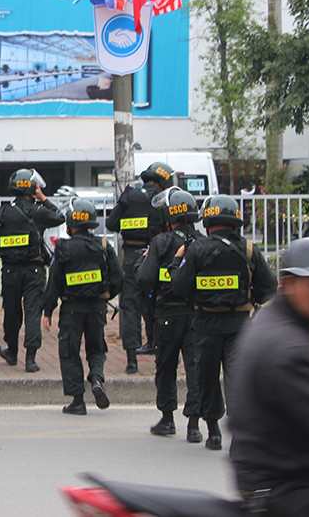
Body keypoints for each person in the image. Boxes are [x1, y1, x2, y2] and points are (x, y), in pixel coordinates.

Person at [228, 237, 309, 515]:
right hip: (284, 491)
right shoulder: (287, 350)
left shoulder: (275, 323)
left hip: (276, 481)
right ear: (287, 284)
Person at [168, 194, 276, 451]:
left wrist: (176, 260)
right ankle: (238, 437)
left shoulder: (196, 250)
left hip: (205, 326)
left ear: (207, 223)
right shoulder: (249, 250)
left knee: (206, 378)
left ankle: (213, 433)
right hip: (240, 325)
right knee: (237, 380)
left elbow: (180, 287)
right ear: (235, 222)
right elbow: (268, 288)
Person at [42, 198, 122, 415]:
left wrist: (48, 310)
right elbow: (118, 278)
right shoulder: (104, 246)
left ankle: (78, 401)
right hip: (97, 308)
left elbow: (54, 282)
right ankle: (96, 378)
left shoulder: (63, 248)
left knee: (69, 352)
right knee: (96, 348)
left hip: (71, 310)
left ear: (70, 224)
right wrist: (105, 296)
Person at [136, 186, 202, 443]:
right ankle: (194, 426)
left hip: (167, 315)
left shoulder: (161, 242)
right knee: (194, 369)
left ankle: (167, 420)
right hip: (196, 315)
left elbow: (144, 277)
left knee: (166, 367)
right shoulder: (202, 242)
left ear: (168, 215)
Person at [0, 168, 63, 372]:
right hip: (34, 271)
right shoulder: (38, 212)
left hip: (9, 271)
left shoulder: (2, 213)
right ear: (32, 190)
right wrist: (43, 198)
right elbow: (59, 216)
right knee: (33, 312)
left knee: (11, 313)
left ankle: (11, 351)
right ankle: (31, 359)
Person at [106, 161, 172, 374]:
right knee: (159, 303)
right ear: (162, 182)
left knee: (131, 306)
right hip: (156, 257)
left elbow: (111, 224)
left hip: (131, 258)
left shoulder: (129, 196)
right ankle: (160, 347)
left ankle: (131, 360)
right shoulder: (163, 199)